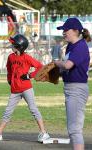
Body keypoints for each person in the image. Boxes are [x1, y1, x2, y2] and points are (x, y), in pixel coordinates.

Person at [0, 34, 50, 142]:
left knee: (33, 109)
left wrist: (30, 75)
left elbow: (41, 67)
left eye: (14, 44)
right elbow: (9, 69)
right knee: (8, 111)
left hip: (26, 88)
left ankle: (44, 133)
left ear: (19, 47)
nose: (12, 45)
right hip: (15, 90)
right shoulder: (11, 57)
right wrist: (9, 79)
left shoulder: (27, 57)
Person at [54, 17, 91, 150]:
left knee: (75, 130)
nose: (63, 32)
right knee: (73, 129)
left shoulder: (80, 46)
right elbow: (67, 69)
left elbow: (68, 65)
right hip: (70, 88)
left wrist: (56, 63)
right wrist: (55, 73)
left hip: (77, 89)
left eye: (66, 30)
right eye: (63, 30)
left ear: (75, 30)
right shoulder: (71, 46)